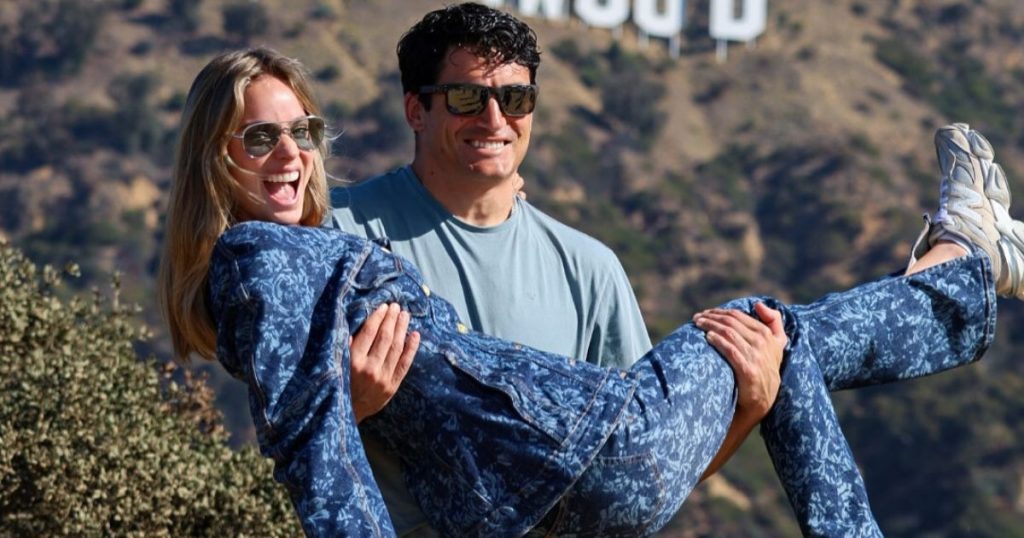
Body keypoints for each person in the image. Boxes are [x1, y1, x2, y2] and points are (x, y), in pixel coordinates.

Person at [157, 47, 1024, 536]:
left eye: (302, 131)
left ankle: (960, 266)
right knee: (774, 322)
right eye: (257, 139)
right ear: (213, 157)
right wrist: (344, 404)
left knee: (773, 342)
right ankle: (962, 266)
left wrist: (748, 406)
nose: (290, 155)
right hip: (588, 447)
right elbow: (310, 444)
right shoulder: (260, 261)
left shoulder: (296, 254)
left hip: (550, 508)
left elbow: (316, 422)